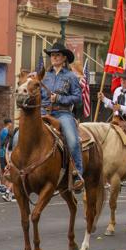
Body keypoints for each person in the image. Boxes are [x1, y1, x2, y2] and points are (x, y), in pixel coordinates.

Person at [39, 45, 85, 192]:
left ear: (64, 58)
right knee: (19, 135)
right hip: (43, 112)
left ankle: (78, 174)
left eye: (58, 55)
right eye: (52, 55)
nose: (54, 57)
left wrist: (59, 98)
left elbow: (78, 98)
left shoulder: (71, 76)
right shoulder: (44, 75)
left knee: (72, 140)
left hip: (63, 113)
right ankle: (14, 169)